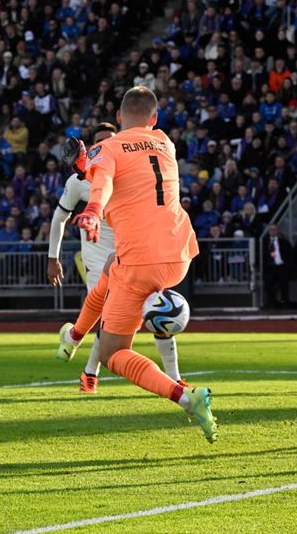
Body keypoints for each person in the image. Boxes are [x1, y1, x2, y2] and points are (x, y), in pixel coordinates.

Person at [59, 87, 216, 442]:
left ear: (117, 117)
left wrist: (94, 211)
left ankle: (184, 396)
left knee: (115, 352)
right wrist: (87, 167)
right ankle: (74, 336)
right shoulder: (165, 143)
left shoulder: (107, 148)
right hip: (179, 253)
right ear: (154, 119)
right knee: (109, 272)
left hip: (142, 259)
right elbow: (128, 173)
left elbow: (104, 183)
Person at [49, 122, 188, 395]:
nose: (103, 146)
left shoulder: (132, 169)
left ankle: (77, 344)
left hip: (137, 251)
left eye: (109, 141)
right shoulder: (80, 182)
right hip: (99, 253)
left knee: (157, 308)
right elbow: (60, 216)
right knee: (108, 317)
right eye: (98, 142)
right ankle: (89, 368)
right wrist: (52, 256)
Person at [262, 224, 293, 308]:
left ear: (278, 231)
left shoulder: (284, 242)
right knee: (269, 286)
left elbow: (289, 254)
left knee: (284, 286)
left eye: (275, 230)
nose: (273, 231)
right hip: (269, 267)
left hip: (281, 266)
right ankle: (271, 304)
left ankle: (285, 304)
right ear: (268, 231)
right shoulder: (264, 242)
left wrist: (287, 265)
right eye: (271, 230)